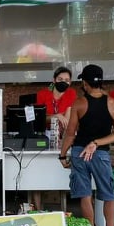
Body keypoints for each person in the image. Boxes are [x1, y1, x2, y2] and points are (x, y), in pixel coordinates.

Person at [58, 64, 114, 226]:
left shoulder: (79, 103)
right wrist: (98, 143)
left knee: (85, 195)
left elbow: (71, 133)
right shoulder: (113, 103)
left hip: (79, 153)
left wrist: (63, 155)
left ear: (85, 83)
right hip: (101, 155)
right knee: (108, 195)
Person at [32, 66, 76, 208]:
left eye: (67, 80)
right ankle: (38, 208)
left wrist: (65, 137)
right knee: (37, 172)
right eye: (60, 79)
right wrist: (55, 116)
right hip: (44, 136)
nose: (64, 82)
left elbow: (69, 119)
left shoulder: (71, 94)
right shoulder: (43, 94)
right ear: (54, 80)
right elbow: (39, 118)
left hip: (63, 136)